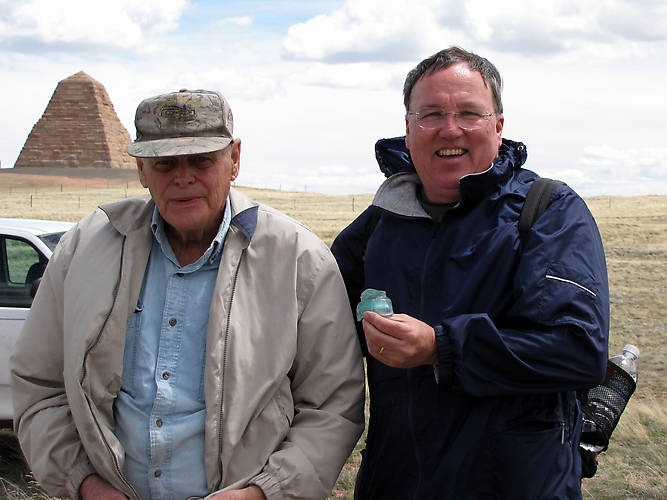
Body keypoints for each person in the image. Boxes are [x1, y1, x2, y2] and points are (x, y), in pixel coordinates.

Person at [11, 89, 365, 500]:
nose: (183, 178)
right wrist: (85, 484)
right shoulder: (84, 250)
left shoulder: (299, 259)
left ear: (234, 159)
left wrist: (263, 493)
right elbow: (39, 385)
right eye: (165, 163)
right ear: (142, 170)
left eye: (201, 160)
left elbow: (332, 405)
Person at [331, 47, 609, 499]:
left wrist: (439, 348)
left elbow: (577, 350)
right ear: (408, 130)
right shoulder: (378, 226)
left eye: (469, 113)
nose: (450, 129)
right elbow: (317, 333)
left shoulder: (549, 211)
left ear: (498, 126)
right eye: (431, 114)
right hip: (395, 483)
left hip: (516, 486)